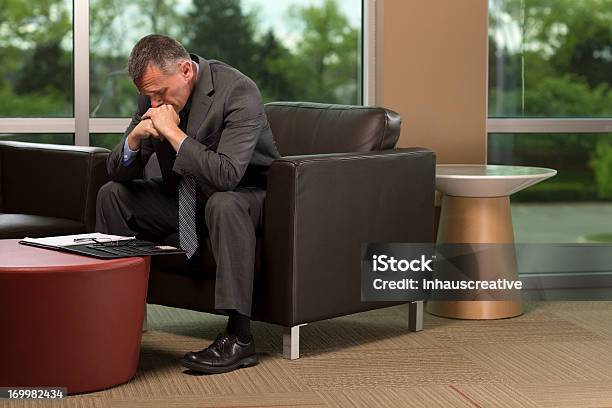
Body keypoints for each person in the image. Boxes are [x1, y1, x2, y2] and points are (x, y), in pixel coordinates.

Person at [96, 34, 280, 374]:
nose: (153, 103)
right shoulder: (154, 94)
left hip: (248, 196)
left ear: (185, 70)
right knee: (113, 194)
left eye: (160, 94)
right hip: (186, 196)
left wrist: (173, 134)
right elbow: (118, 172)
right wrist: (133, 140)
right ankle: (114, 319)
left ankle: (240, 340)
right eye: (147, 96)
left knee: (224, 203)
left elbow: (227, 175)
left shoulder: (239, 91)